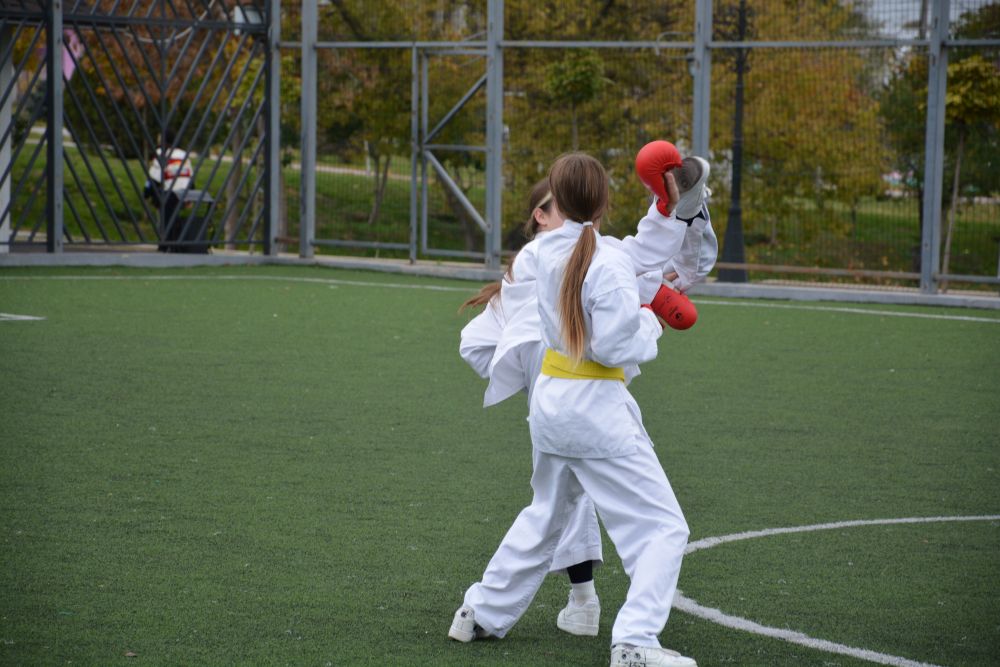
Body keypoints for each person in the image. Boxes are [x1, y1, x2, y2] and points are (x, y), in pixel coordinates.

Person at [451, 152, 699, 667]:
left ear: (556, 204)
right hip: (595, 411)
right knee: (663, 528)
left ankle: (479, 611)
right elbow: (614, 344)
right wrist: (650, 320)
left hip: (550, 404)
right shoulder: (605, 259)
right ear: (604, 205)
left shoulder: (542, 253)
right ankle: (635, 640)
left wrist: (665, 212)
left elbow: (630, 253)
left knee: (545, 514)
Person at [143, 129, 193, 250]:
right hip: (184, 192)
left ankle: (164, 245)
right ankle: (175, 244)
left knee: (165, 219)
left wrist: (146, 194)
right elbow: (190, 175)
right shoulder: (183, 154)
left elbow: (154, 178)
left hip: (168, 193)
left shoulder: (161, 154)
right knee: (174, 217)